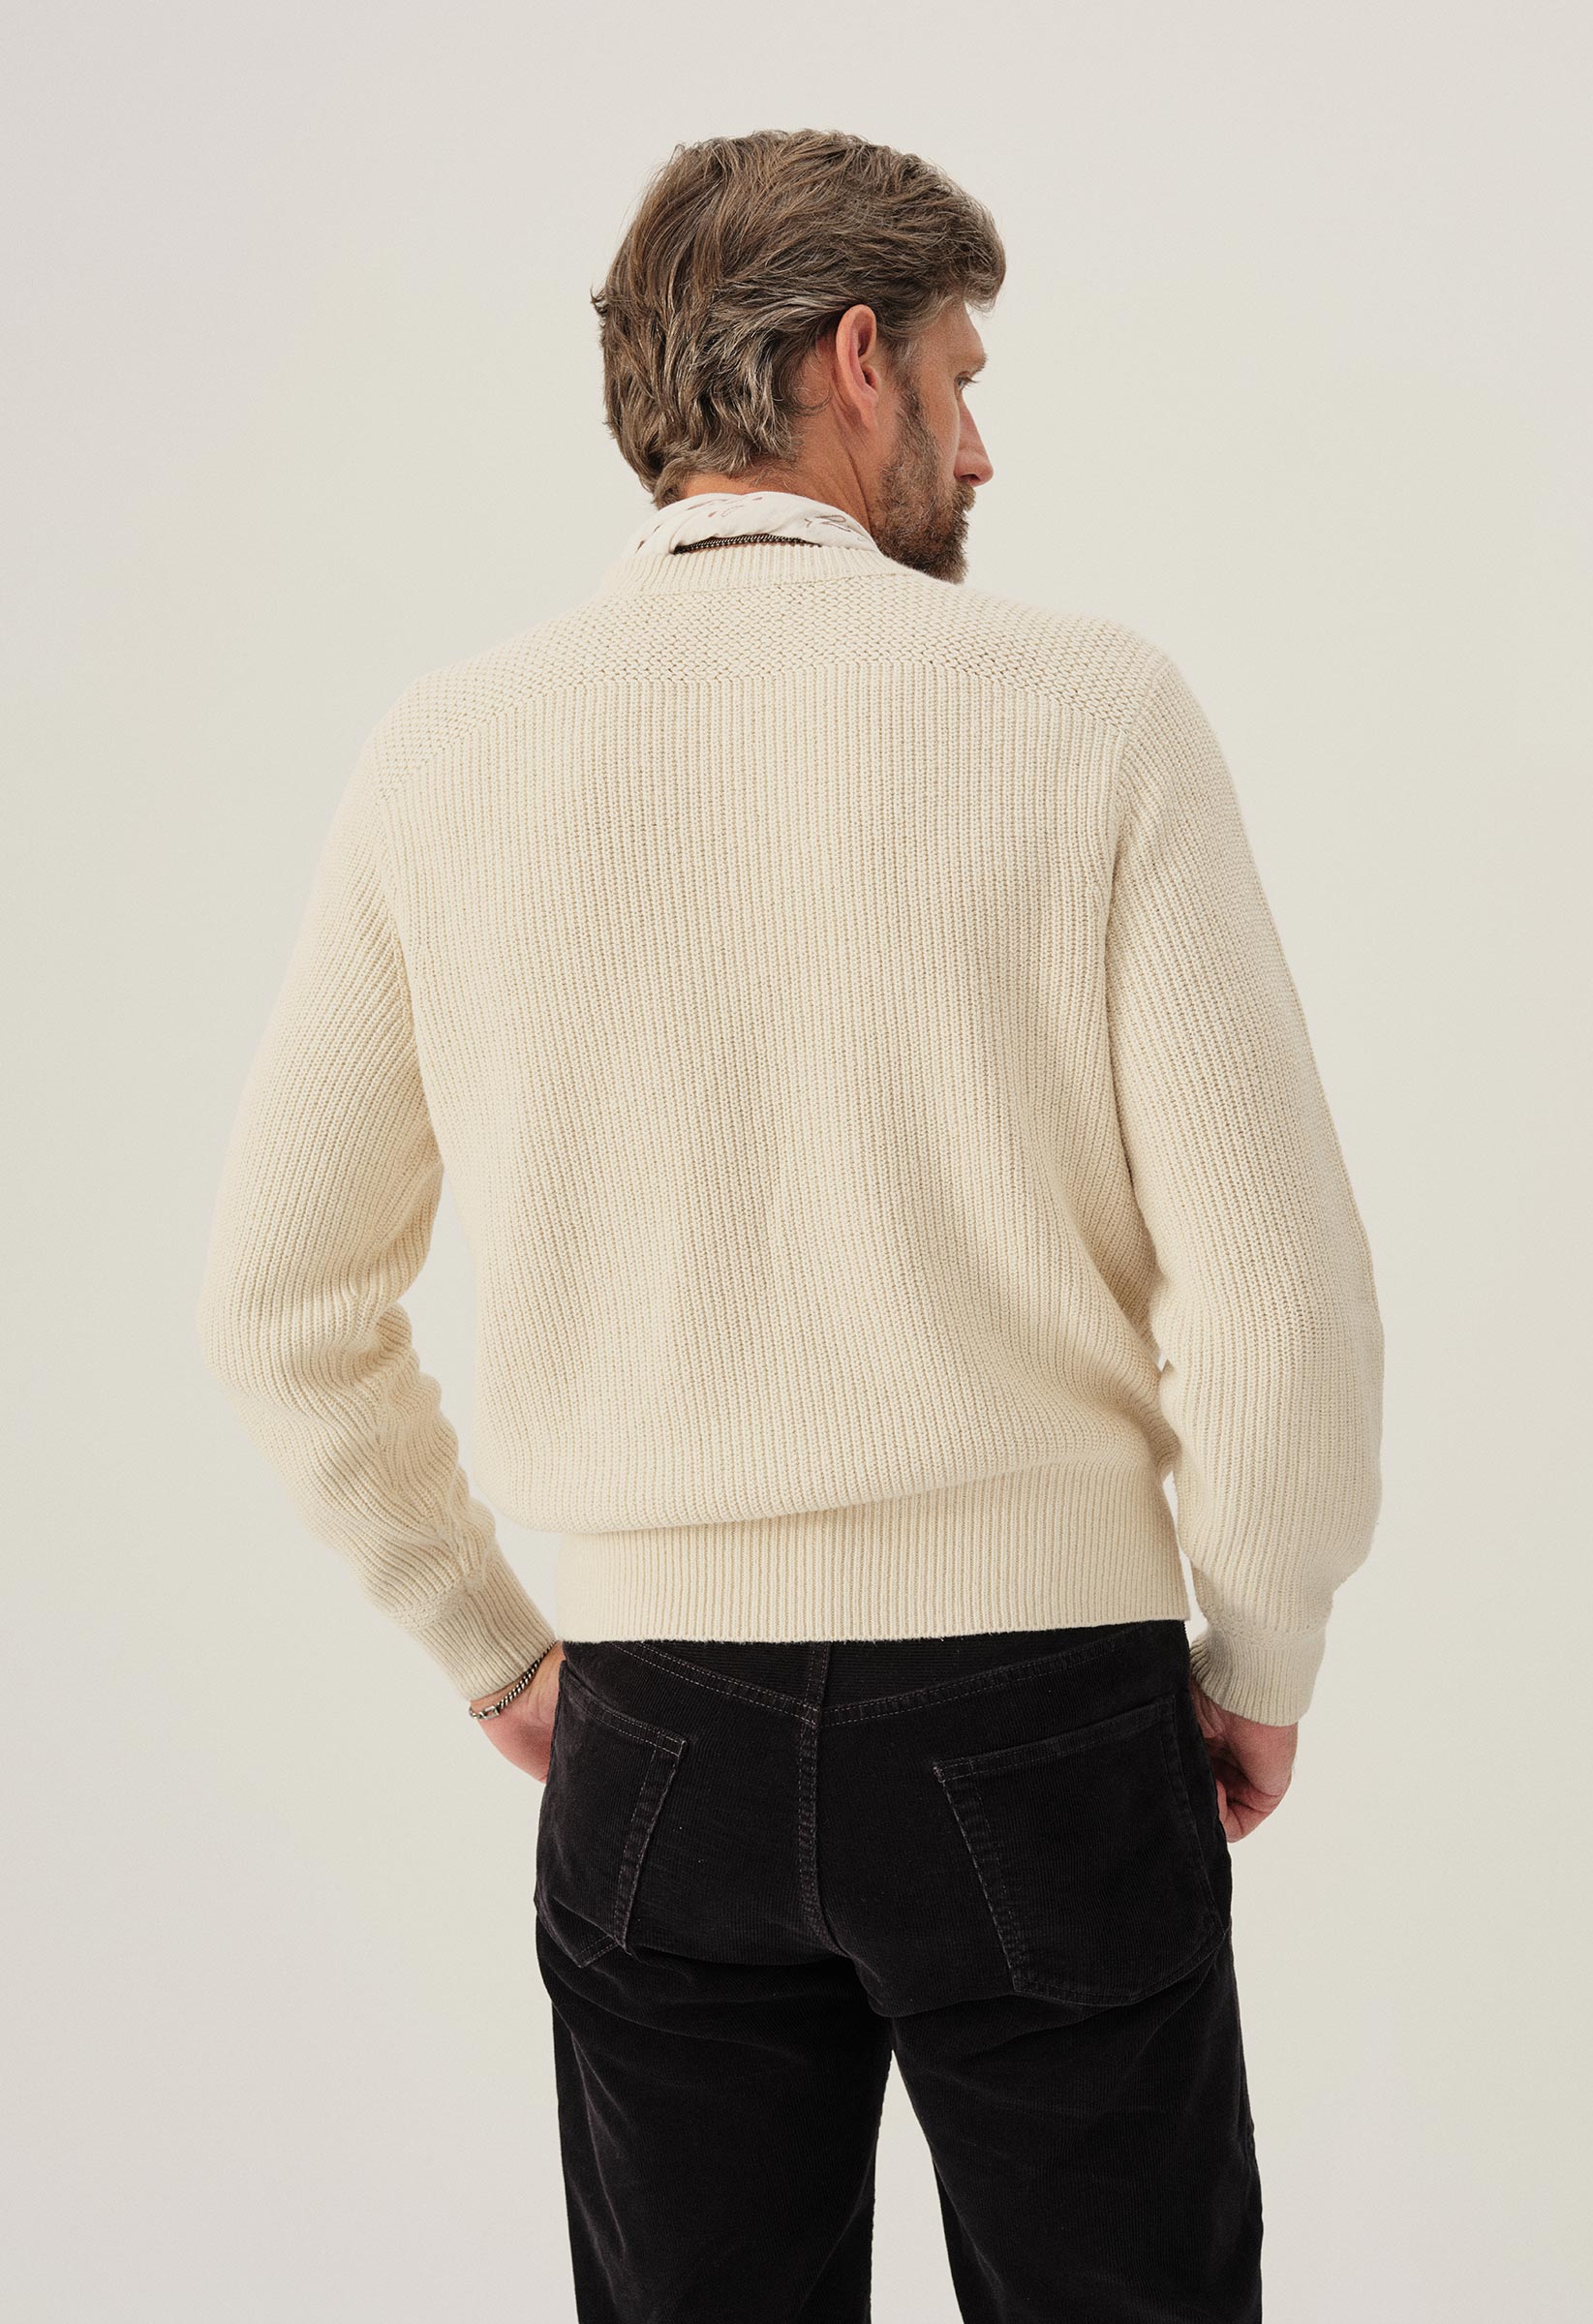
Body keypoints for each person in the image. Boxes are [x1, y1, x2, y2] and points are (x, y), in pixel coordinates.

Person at [197, 127, 1384, 2323]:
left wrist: (495, 1645)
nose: (983, 445)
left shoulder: (450, 754)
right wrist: (1263, 1652)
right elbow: (1277, 1287)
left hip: (659, 1737)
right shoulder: (1089, 715)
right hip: (1049, 1707)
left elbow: (277, 1303)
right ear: (855, 362)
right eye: (961, 376)